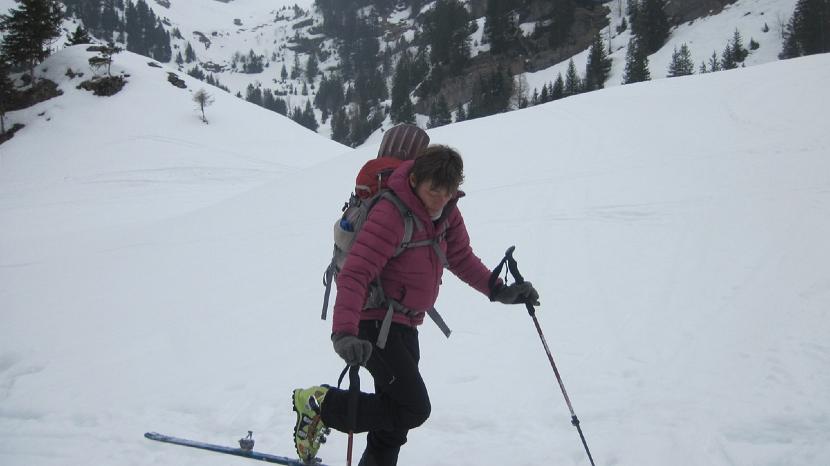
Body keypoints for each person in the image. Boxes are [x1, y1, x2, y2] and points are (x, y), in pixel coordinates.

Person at [293, 131, 540, 466]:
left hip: (406, 324)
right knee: (412, 407)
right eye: (433, 190)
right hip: (373, 323)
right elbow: (356, 273)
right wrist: (344, 333)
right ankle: (320, 404)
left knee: (394, 423)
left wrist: (499, 290)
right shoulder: (391, 213)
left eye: (448, 191)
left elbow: (461, 257)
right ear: (414, 179)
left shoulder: (447, 213)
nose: (440, 198)